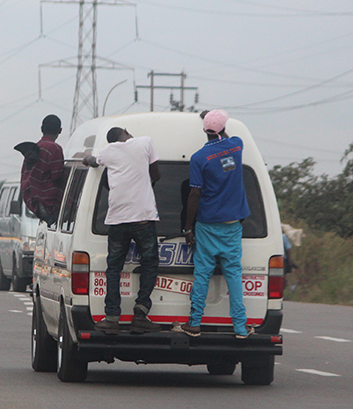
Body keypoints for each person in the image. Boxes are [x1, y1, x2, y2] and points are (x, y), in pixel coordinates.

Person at [174, 109, 252, 338]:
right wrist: (210, 115)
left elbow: (194, 194)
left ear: (205, 131)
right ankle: (240, 326)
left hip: (207, 224)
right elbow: (227, 139)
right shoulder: (237, 146)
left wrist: (188, 228)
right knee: (234, 274)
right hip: (232, 225)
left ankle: (195, 322)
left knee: (202, 274)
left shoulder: (199, 158)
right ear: (224, 128)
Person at [83, 127, 162, 334]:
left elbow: (93, 162)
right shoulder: (145, 141)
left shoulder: (108, 152)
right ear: (127, 132)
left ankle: (111, 317)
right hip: (143, 217)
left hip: (117, 219)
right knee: (150, 263)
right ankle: (141, 313)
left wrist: (86, 157)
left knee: (114, 268)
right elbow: (157, 174)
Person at [18, 114, 65, 226]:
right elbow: (57, 176)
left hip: (34, 201)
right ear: (60, 130)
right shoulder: (54, 149)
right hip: (49, 204)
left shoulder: (33, 149)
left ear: (41, 129)